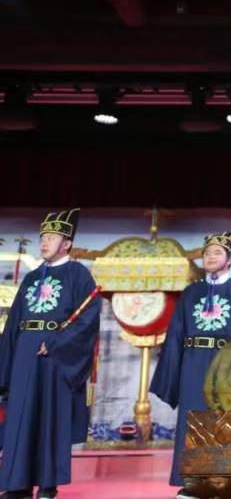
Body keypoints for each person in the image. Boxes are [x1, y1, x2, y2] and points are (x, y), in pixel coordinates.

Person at [150, 231, 231, 499]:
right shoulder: (191, 292)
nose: (210, 257)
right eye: (206, 253)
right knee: (191, 420)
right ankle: (191, 482)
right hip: (193, 363)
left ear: (229, 259)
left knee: (224, 421)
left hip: (224, 366)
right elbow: (176, 332)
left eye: (217, 253)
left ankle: (223, 479)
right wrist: (173, 369)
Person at [0, 209, 101, 499]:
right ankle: (18, 485)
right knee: (20, 417)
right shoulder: (32, 277)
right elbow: (14, 321)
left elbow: (87, 320)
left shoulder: (79, 275)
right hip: (25, 351)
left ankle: (47, 484)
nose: (44, 242)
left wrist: (57, 343)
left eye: (52, 237)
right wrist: (7, 362)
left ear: (66, 243)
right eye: (43, 237)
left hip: (54, 357)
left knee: (48, 419)